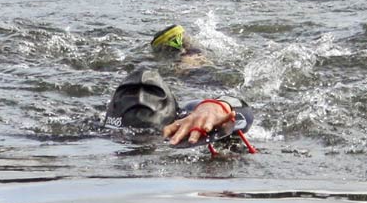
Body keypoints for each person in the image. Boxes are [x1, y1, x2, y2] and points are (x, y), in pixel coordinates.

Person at [103, 25, 257, 155]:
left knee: (201, 77)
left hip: (194, 86)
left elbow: (241, 110)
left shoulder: (190, 115)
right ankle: (187, 58)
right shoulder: (105, 129)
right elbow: (244, 117)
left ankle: (188, 56)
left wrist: (216, 106)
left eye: (158, 136)